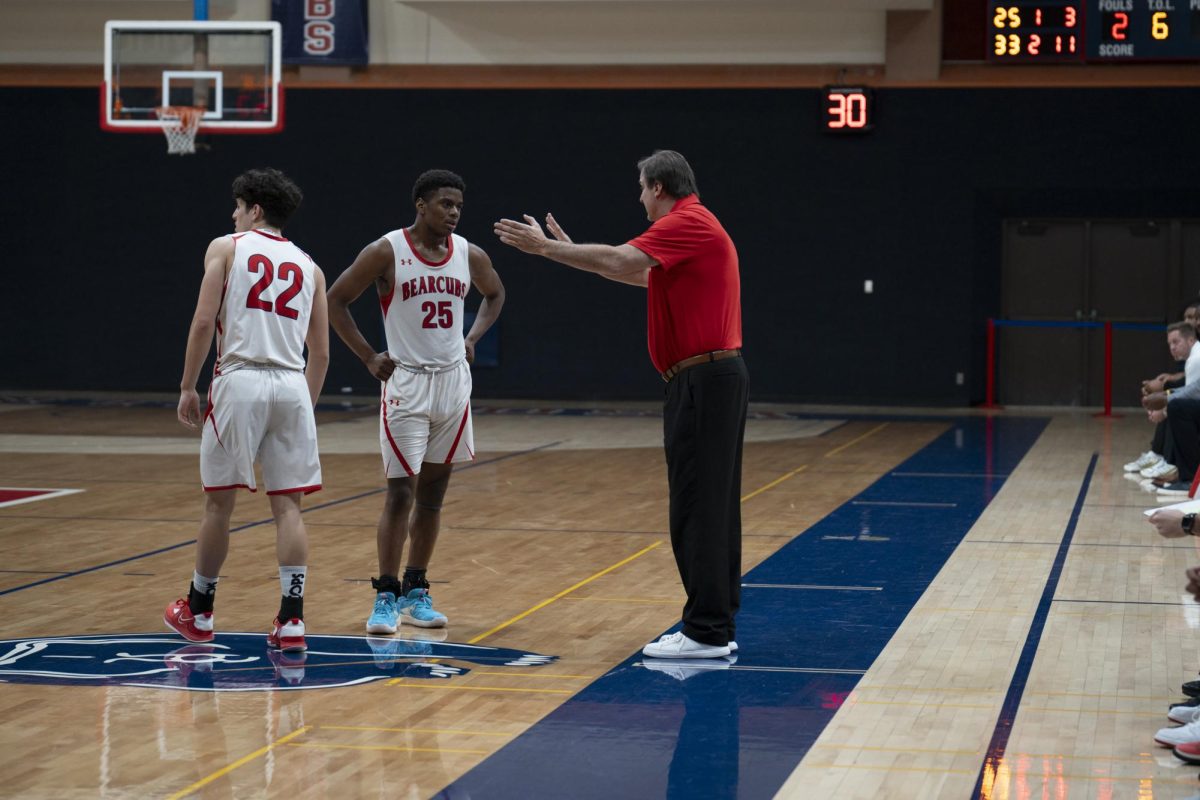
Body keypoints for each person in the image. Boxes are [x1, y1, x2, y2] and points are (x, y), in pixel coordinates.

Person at [493, 149, 747, 659]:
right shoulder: (692, 228)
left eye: (640, 188)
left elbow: (620, 258)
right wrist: (567, 253)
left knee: (698, 507)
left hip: (704, 380)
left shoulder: (686, 220)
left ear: (658, 187)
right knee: (707, 507)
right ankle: (712, 624)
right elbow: (637, 275)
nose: (639, 199)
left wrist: (545, 250)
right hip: (708, 379)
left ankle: (706, 631)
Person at [327, 169, 504, 634]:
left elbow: (495, 293)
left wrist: (473, 337)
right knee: (400, 492)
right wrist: (368, 356)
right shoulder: (386, 250)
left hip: (452, 384)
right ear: (421, 205)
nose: (454, 212)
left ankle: (416, 589)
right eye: (445, 204)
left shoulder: (469, 254)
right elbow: (336, 300)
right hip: (406, 382)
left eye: (459, 206)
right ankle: (385, 595)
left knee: (433, 496)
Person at [164, 168, 329, 654]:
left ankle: (199, 609)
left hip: (240, 378)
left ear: (254, 209)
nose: (233, 216)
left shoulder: (227, 248)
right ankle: (293, 620)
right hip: (292, 384)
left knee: (219, 502)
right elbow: (320, 354)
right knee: (289, 507)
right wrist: (304, 408)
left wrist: (187, 385)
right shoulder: (311, 266)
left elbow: (201, 321)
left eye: (237, 207)